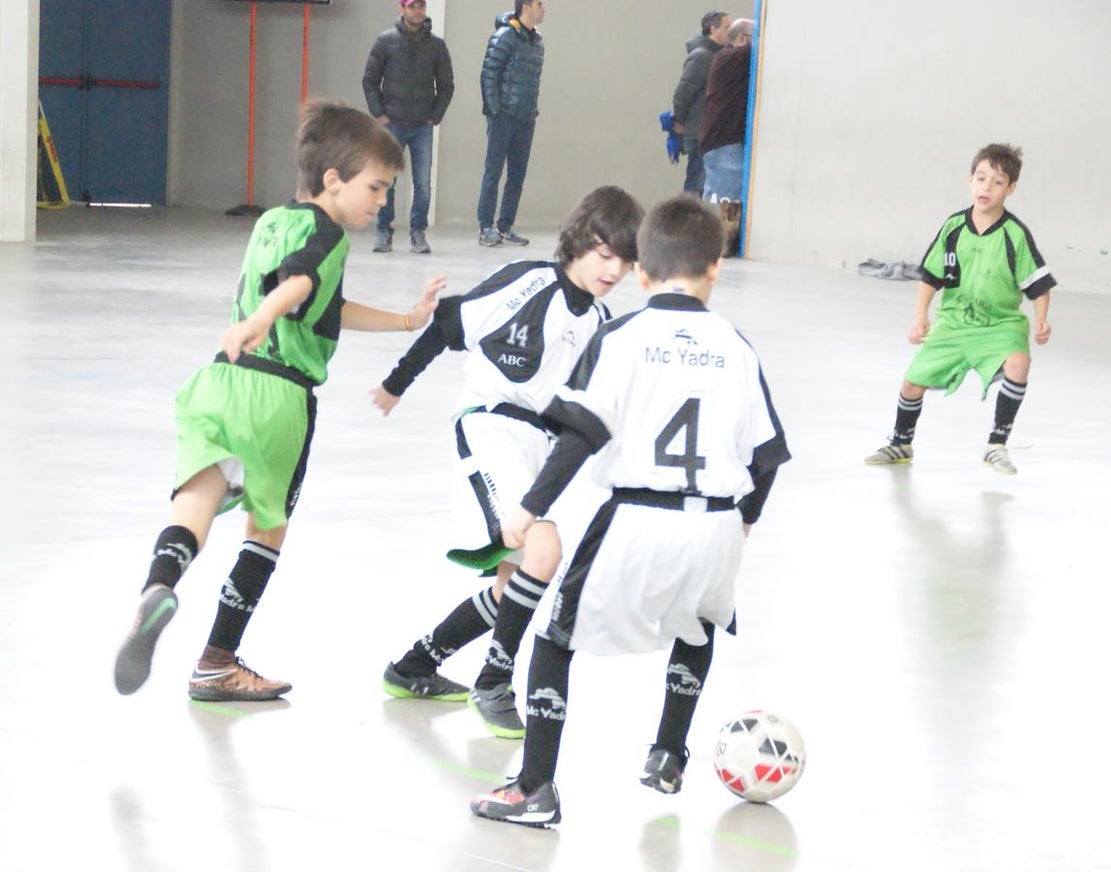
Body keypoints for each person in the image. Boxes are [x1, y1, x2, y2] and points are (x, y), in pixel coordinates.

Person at [470, 194, 791, 827]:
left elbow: (580, 434)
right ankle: (669, 752)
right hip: (716, 523)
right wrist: (746, 518)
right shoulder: (736, 346)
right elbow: (768, 455)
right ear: (715, 268)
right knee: (699, 626)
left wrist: (530, 507)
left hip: (637, 518)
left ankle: (534, 787)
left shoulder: (622, 336)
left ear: (642, 273)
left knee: (555, 641)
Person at [112, 100, 443, 702]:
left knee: (195, 502)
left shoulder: (271, 221)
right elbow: (301, 283)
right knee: (267, 529)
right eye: (375, 187)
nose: (380, 201)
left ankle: (157, 587)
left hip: (222, 380)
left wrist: (403, 320)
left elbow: (322, 306)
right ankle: (217, 661)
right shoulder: (327, 233)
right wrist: (265, 317)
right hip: (279, 397)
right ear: (333, 180)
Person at [371, 186, 644, 739]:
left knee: (513, 584)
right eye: (604, 254)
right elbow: (449, 324)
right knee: (543, 551)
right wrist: (396, 383)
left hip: (538, 446)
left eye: (625, 259)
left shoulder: (600, 321)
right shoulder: (528, 282)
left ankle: (414, 665)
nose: (614, 270)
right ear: (578, 242)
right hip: (491, 426)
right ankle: (494, 682)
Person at [864, 143, 1055, 475]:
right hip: (954, 324)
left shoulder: (1014, 234)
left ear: (1011, 189)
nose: (986, 187)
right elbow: (930, 277)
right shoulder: (953, 228)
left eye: (997, 182)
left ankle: (996, 444)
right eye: (980, 178)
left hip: (1000, 325)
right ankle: (901, 442)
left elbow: (1038, 284)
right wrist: (920, 316)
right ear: (969, 180)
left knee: (1019, 363)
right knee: (912, 383)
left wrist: (1041, 319)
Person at [362, 0, 454, 255]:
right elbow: (370, 80)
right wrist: (379, 113)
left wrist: (435, 116)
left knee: (422, 183)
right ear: (402, 9)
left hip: (422, 125)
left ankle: (418, 232)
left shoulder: (436, 45)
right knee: (386, 180)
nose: (418, 11)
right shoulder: (385, 42)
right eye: (413, 6)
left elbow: (446, 85)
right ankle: (383, 231)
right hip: (392, 123)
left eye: (421, 6)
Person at [476, 0, 545, 248]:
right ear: (525, 7)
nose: (543, 9)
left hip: (526, 118)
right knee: (493, 171)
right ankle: (485, 227)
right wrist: (495, 111)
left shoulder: (537, 41)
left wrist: (531, 111)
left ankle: (505, 226)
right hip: (503, 117)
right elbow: (488, 74)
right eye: (539, 4)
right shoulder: (504, 36)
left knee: (517, 173)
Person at [671, 11, 729, 196]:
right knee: (696, 183)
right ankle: (688, 213)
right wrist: (679, 120)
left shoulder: (715, 55)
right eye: (726, 27)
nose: (730, 32)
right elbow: (683, 92)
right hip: (699, 131)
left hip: (706, 130)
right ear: (713, 29)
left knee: (701, 183)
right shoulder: (702, 56)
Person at [697, 18, 754, 204]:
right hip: (725, 143)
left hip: (718, 142)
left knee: (713, 204)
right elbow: (763, 50)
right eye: (754, 37)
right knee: (728, 205)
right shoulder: (730, 57)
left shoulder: (727, 59)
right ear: (742, 39)